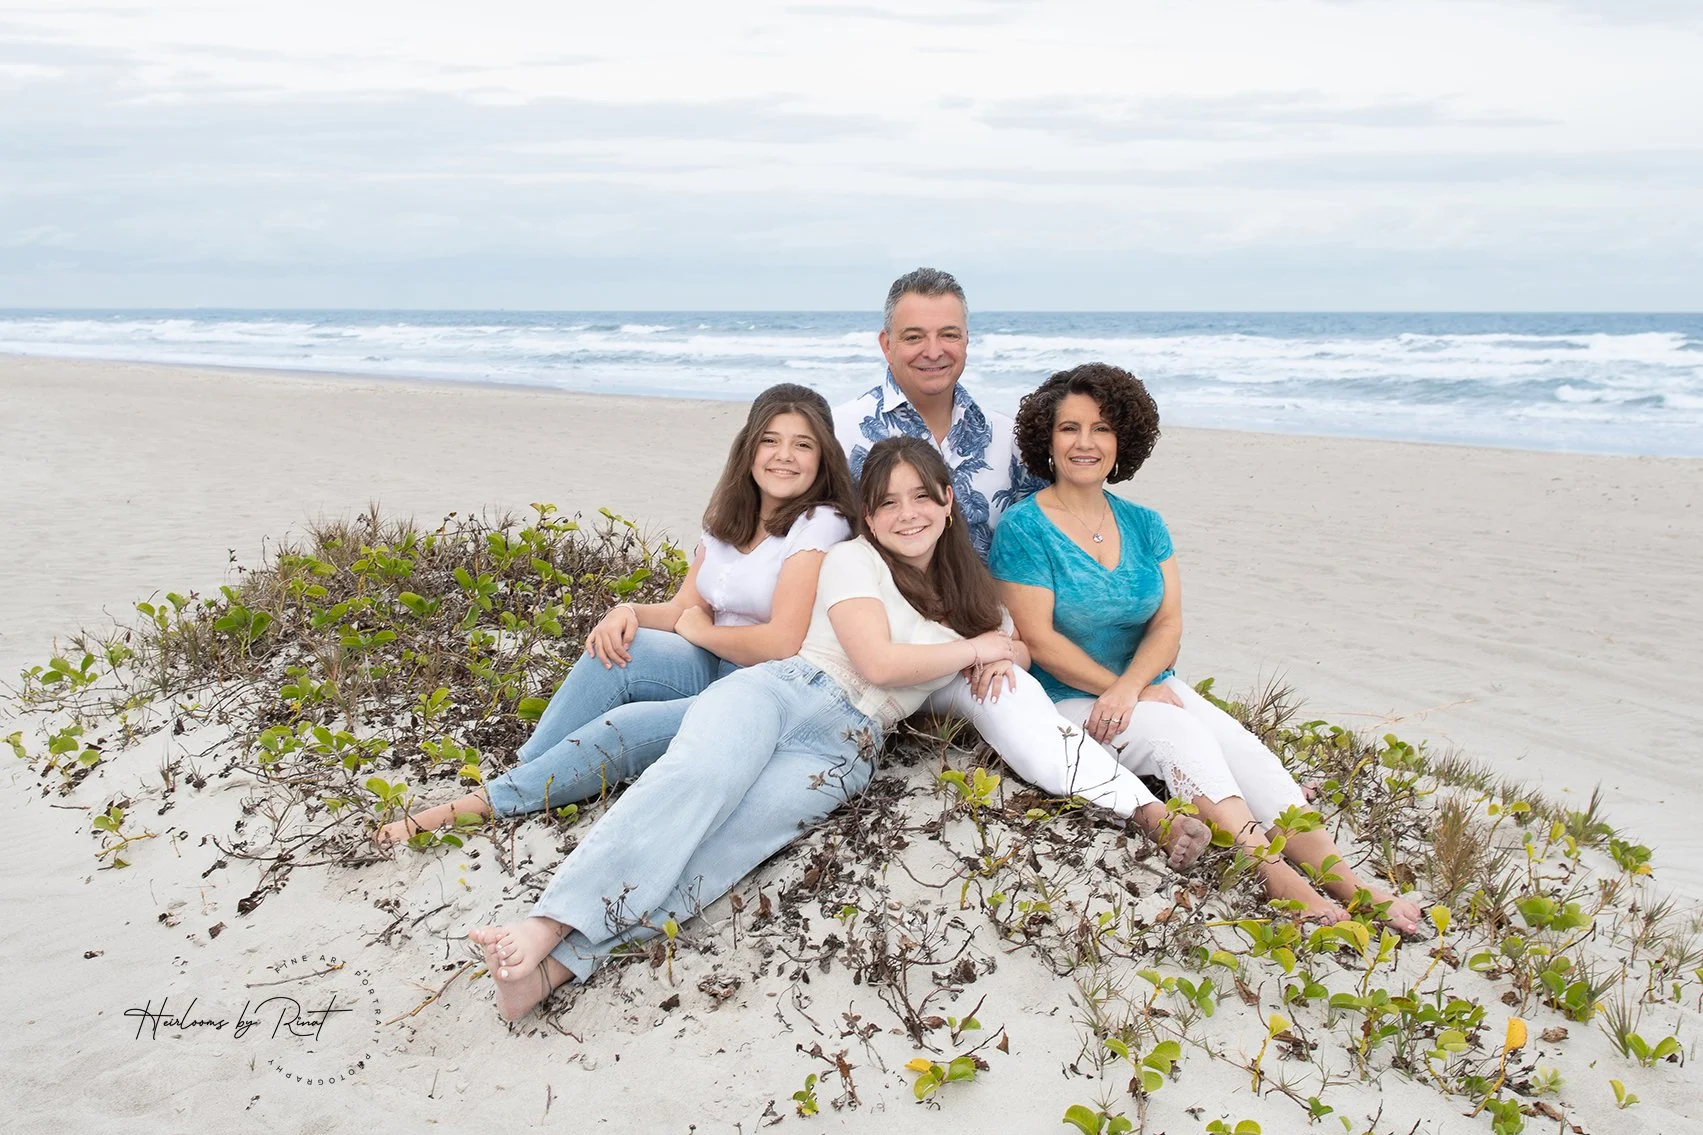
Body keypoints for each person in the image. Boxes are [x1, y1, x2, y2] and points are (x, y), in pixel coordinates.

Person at [467, 437, 1034, 1019]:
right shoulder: (853, 559)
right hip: (782, 690)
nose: (906, 514)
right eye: (888, 503)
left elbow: (1019, 647)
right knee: (696, 780)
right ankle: (548, 922)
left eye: (920, 497)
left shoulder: (976, 599)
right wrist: (977, 648)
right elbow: (878, 663)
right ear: (869, 517)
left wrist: (1002, 651)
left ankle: (551, 972)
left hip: (849, 748)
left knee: (724, 851)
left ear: (947, 502)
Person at [990, 363, 1424, 932]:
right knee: (1179, 735)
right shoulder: (1024, 528)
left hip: (1144, 685)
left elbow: (1167, 623)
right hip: (1071, 699)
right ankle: (1278, 878)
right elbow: (1040, 640)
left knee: (1246, 753)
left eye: (1101, 428)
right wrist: (1126, 693)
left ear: (1123, 439)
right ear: (1047, 439)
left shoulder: (1145, 524)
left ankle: (1349, 881)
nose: (1085, 443)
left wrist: (1138, 687)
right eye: (1069, 428)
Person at [376, 383, 855, 848]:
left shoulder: (819, 523)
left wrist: (701, 631)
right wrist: (626, 611)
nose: (783, 455)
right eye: (770, 440)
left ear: (822, 457)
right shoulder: (732, 517)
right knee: (617, 650)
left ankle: (483, 805)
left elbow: (782, 641)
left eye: (802, 444)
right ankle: (528, 768)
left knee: (630, 725)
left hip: (763, 688)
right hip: (711, 662)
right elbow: (685, 609)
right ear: (748, 449)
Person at [832, 269, 1205, 855]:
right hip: (880, 642)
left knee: (1018, 703)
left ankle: (1148, 812)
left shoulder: (1007, 439)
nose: (934, 351)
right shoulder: (841, 431)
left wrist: (1013, 645)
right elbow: (789, 530)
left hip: (984, 639)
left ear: (967, 341)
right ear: (885, 343)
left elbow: (1055, 529)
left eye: (949, 334)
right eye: (913, 336)